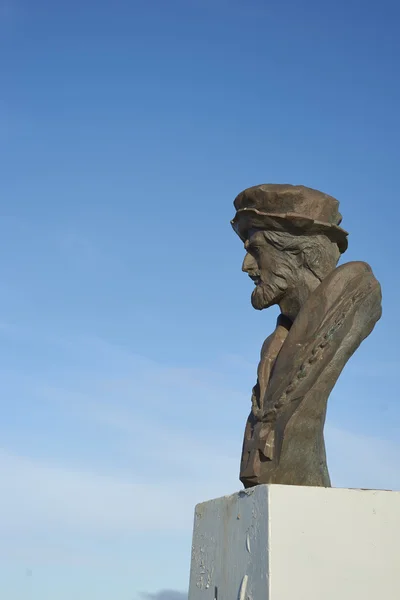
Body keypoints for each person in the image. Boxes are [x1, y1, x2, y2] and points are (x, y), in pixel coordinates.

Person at [231, 184, 382, 487]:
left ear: (299, 253)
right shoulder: (274, 344)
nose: (246, 266)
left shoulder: (351, 300)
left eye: (257, 250)